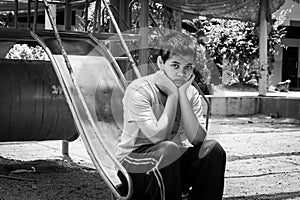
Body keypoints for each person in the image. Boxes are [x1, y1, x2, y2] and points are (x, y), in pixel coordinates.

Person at [115, 31, 226, 200]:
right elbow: (158, 136)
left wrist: (181, 94)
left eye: (188, 67)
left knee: (213, 150)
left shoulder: (190, 92)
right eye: (175, 65)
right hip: (134, 164)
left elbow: (197, 139)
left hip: (173, 165)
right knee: (168, 150)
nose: (182, 73)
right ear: (161, 63)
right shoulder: (140, 90)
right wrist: (173, 95)